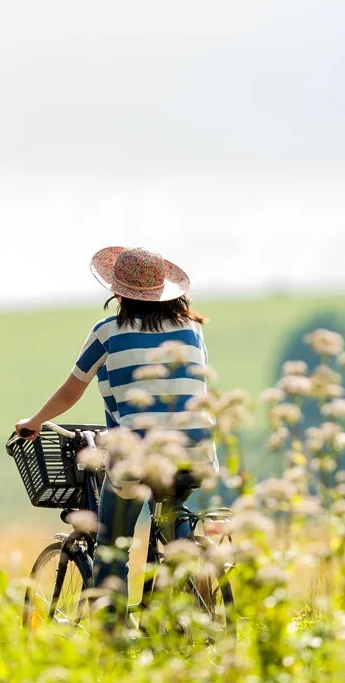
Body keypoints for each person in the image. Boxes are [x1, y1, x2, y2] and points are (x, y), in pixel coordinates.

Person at [15, 245, 216, 605]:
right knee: (173, 528)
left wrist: (34, 422)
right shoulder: (192, 330)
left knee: (113, 547)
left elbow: (70, 391)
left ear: (117, 291)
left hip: (137, 455)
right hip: (197, 451)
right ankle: (185, 595)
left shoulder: (108, 331)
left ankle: (113, 641)